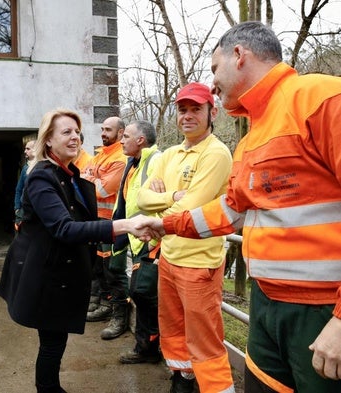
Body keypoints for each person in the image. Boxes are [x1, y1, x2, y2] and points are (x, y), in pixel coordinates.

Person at [140, 21, 341, 393]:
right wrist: (167, 225)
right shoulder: (250, 137)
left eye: (214, 69)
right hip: (265, 304)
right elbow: (230, 211)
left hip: (322, 309)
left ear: (239, 55)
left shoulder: (320, 98)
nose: (212, 83)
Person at [0, 108, 154, 393]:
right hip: (46, 275)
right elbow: (64, 229)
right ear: (48, 141)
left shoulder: (67, 174)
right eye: (66, 132)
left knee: (54, 340)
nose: (75, 137)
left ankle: (50, 387)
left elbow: (81, 220)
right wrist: (124, 225)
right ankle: (48, 388)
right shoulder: (42, 177)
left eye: (77, 131)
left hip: (58, 271)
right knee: (52, 342)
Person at [136, 82, 234, 393]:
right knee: (174, 330)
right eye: (183, 110)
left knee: (205, 340)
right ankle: (183, 379)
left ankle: (215, 387)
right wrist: (172, 198)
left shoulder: (217, 153)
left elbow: (191, 207)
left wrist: (162, 209)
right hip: (169, 257)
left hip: (199, 263)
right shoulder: (169, 155)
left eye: (196, 109)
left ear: (211, 112)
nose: (188, 116)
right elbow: (141, 197)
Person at [113, 120, 163, 361]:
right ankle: (146, 346)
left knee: (143, 291)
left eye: (127, 136)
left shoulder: (156, 161)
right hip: (136, 238)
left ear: (140, 140)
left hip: (151, 239)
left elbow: (163, 200)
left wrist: (156, 239)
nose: (121, 140)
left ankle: (149, 348)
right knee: (140, 293)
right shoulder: (132, 164)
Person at [82, 117, 129, 338]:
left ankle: (119, 316)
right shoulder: (101, 155)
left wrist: (91, 178)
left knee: (114, 270)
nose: (103, 133)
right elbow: (83, 183)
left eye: (107, 130)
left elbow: (99, 191)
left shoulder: (120, 159)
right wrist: (93, 178)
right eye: (102, 129)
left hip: (112, 223)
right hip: (96, 222)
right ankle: (104, 305)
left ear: (120, 133)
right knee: (99, 267)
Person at [13, 140, 35, 230]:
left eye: (28, 149)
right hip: (23, 211)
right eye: (25, 149)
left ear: (36, 150)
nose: (25, 151)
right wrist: (17, 208)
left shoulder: (43, 167)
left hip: (38, 212)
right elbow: (19, 189)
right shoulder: (25, 169)